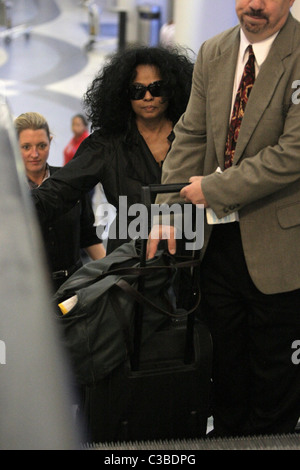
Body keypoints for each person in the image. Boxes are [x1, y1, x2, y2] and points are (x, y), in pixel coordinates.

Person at [147, 0, 300, 437]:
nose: (255, 4)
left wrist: (212, 189)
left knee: (275, 384)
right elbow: (191, 136)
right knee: (226, 371)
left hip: (281, 248)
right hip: (218, 246)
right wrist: (166, 210)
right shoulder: (214, 52)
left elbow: (293, 153)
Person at [31, 46, 194, 254]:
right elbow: (60, 190)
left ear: (172, 89)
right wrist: (14, 206)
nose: (147, 96)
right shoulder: (107, 145)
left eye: (156, 88)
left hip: (189, 260)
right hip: (131, 265)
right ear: (124, 94)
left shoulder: (193, 137)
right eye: (137, 90)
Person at [15, 112, 106, 291]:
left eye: (41, 145)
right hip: (28, 292)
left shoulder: (70, 182)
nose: (35, 154)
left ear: (50, 141)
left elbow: (88, 236)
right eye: (26, 147)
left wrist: (112, 273)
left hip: (73, 286)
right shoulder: (9, 191)